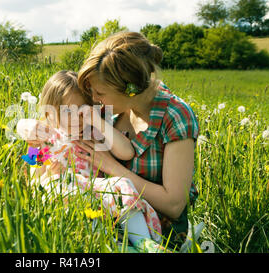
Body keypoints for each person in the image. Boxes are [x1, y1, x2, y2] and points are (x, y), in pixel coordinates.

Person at [74, 31, 200, 248]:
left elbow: (174, 204)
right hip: (105, 218)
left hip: (157, 234)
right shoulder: (108, 112)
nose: (94, 100)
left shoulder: (174, 116)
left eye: (100, 93)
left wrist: (113, 168)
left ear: (130, 89)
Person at [16, 70, 162, 245]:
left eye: (82, 110)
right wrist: (48, 175)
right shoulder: (41, 141)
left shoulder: (92, 133)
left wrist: (97, 121)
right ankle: (108, 245)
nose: (77, 118)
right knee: (53, 187)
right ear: (50, 112)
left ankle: (146, 244)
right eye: (67, 111)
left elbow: (126, 152)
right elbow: (34, 183)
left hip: (96, 195)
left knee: (123, 184)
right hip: (66, 200)